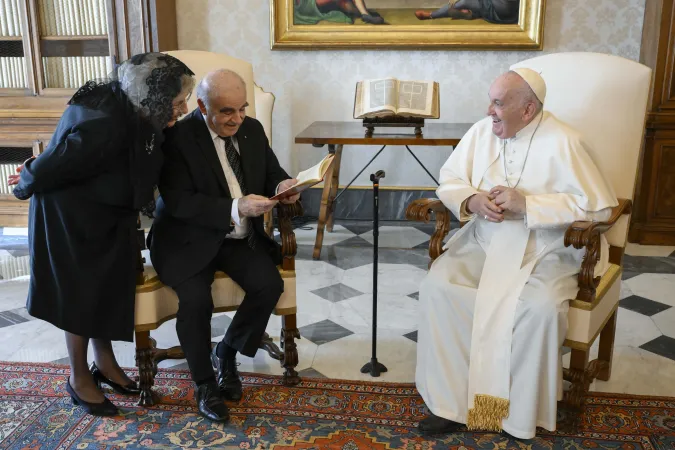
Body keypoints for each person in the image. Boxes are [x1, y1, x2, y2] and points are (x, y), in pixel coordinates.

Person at [415, 68, 618, 439]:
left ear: (527, 110)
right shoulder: (480, 133)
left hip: (547, 248)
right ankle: (450, 405)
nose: (488, 111)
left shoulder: (566, 141)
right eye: (490, 100)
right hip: (485, 241)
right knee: (439, 288)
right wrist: (472, 200)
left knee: (538, 308)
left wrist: (531, 206)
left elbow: (600, 210)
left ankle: (516, 414)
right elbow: (451, 180)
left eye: (497, 103)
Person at [7, 53, 195, 416]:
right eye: (176, 102)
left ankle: (106, 366)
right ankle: (79, 378)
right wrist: (28, 175)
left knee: (106, 290)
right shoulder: (105, 121)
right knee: (80, 296)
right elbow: (57, 161)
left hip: (106, 214)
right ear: (152, 97)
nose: (183, 108)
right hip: (72, 217)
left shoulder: (133, 106)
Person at [148, 69, 301, 423]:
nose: (238, 119)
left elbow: (270, 173)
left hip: (233, 236)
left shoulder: (252, 129)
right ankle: (204, 384)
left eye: (242, 109)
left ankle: (227, 350)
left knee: (269, 285)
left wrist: (285, 185)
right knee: (197, 300)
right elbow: (179, 202)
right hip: (184, 238)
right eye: (227, 112)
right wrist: (237, 207)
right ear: (202, 106)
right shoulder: (178, 138)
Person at [415, 0, 520, 24]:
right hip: (512, 14)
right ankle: (472, 14)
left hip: (499, 9)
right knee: (464, 3)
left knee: (462, 2)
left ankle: (431, 15)